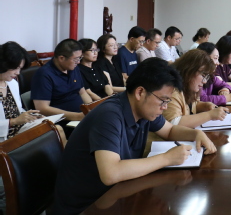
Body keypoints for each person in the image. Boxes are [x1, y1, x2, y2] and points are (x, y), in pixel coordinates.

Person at [52, 57, 217, 214]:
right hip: (87, 206)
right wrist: (166, 159)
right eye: (163, 100)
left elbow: (169, 131)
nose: (165, 107)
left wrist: (196, 133)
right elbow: (111, 173)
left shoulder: (143, 109)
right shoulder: (109, 115)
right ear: (140, 92)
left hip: (117, 194)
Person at [164, 50, 229, 127]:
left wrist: (205, 106)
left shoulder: (190, 86)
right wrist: (209, 115)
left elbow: (192, 105)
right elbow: (173, 122)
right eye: (203, 75)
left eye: (207, 77)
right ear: (189, 70)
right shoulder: (172, 89)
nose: (205, 81)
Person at [31, 39, 92, 121]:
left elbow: (82, 92)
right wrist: (77, 117)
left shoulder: (73, 68)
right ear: (61, 58)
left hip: (81, 116)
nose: (78, 62)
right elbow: (42, 108)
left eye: (80, 58)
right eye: (76, 59)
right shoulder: (44, 74)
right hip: (62, 120)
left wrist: (91, 110)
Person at [0, 42, 44, 141]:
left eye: (20, 68)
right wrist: (13, 122)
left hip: (19, 131)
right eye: (15, 68)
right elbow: (15, 119)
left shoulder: (12, 83)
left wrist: (31, 116)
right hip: (4, 139)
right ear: (3, 64)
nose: (18, 73)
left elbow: (17, 110)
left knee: (52, 129)